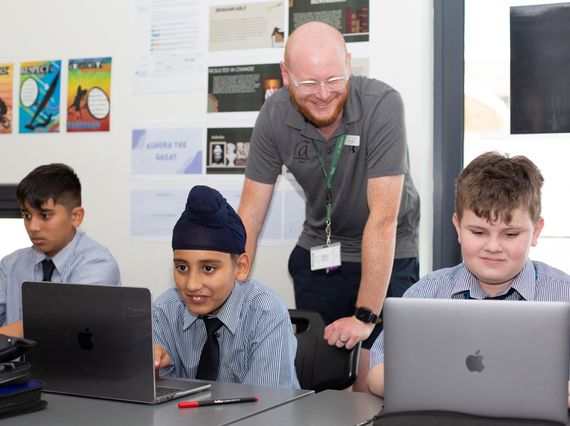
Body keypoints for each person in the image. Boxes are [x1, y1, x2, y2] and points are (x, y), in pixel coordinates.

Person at [237, 21, 420, 389]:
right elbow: (249, 216)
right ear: (286, 75)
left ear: (349, 63)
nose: (322, 94)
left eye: (333, 79)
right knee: (321, 377)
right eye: (308, 83)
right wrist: (230, 290)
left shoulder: (382, 104)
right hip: (323, 250)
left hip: (388, 249)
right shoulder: (274, 116)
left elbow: (383, 218)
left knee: (375, 379)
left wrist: (365, 315)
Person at [367, 152, 570, 406]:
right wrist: (446, 387)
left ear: (536, 231)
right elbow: (376, 374)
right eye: (478, 232)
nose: (493, 247)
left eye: (510, 234)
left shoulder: (564, 295)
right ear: (458, 228)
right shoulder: (425, 294)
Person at [153, 185, 299, 389]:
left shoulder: (266, 313)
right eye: (182, 267)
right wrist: (155, 373)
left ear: (241, 267)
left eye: (208, 268)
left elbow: (269, 402)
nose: (192, 285)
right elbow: (157, 400)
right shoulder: (164, 311)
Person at [0, 163, 121, 337]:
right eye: (27, 215)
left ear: (76, 217)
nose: (33, 227)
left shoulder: (98, 264)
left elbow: (56, 325)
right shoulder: (10, 265)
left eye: (45, 215)